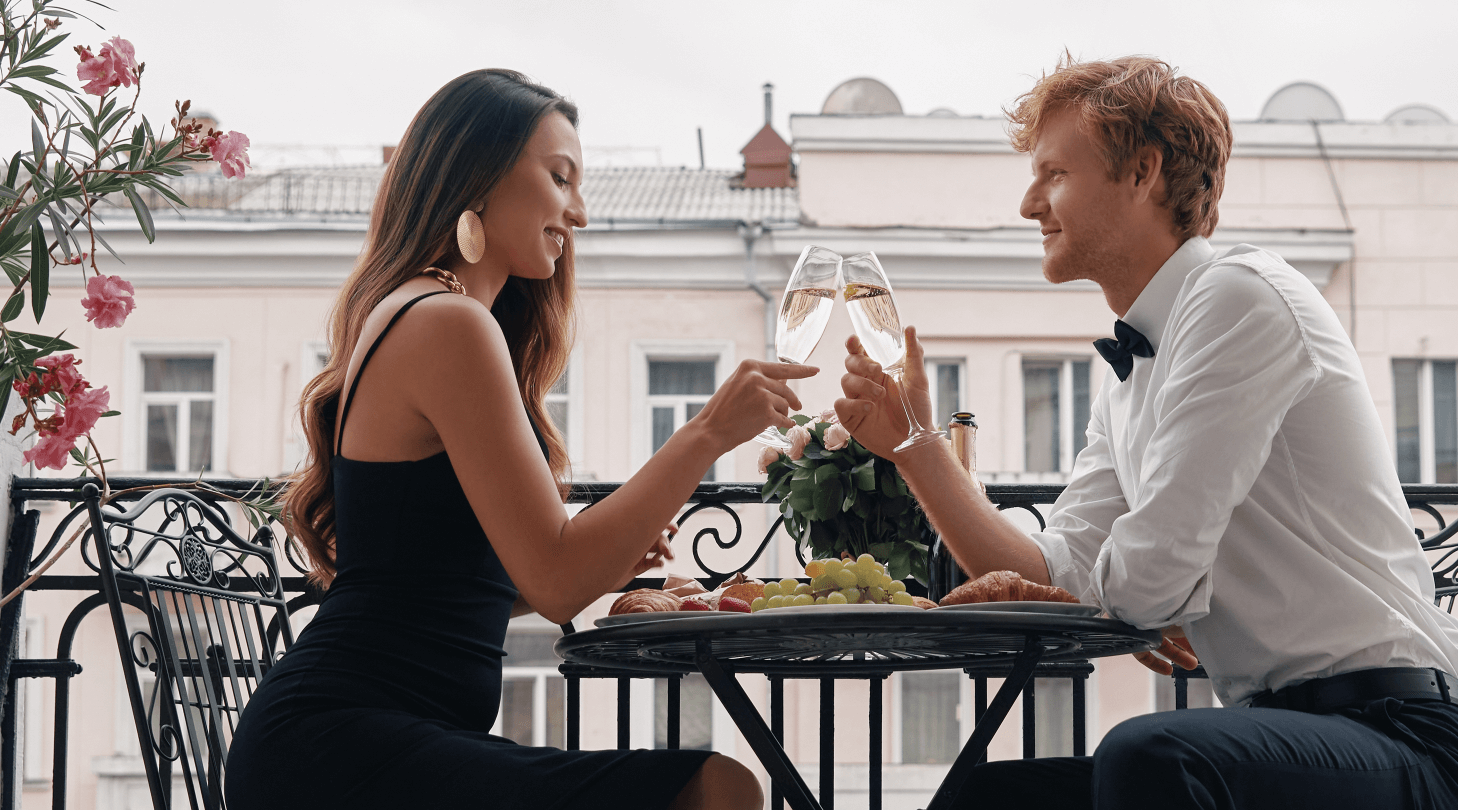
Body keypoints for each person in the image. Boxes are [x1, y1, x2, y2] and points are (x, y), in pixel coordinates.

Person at [833, 55, 1458, 809]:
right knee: (990, 796)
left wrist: (1126, 598)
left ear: (1144, 172)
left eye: (1055, 174)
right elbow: (1056, 573)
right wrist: (915, 446)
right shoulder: (1131, 378)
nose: (1031, 203)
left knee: (1152, 752)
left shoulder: (1237, 299)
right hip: (1275, 731)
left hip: (1400, 729)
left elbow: (1147, 585)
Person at [225, 69, 807, 810]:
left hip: (360, 737)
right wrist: (709, 431)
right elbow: (556, 580)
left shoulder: (435, 315)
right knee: (716, 789)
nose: (580, 213)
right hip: (336, 750)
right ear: (477, 172)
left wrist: (609, 549)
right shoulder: (446, 321)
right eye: (561, 177)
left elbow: (447, 587)